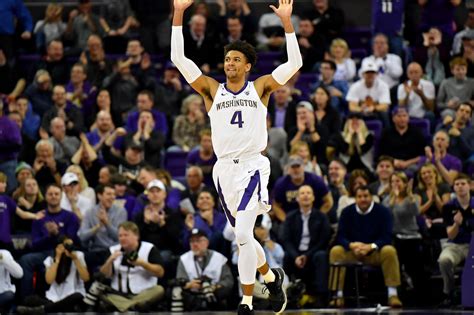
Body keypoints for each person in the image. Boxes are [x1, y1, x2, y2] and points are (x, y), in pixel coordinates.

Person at [171, 0, 302, 313]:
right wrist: (179, 12)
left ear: (247, 66)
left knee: (243, 233)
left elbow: (294, 62)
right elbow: (178, 57)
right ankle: (271, 277)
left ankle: (246, 301)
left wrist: (287, 22)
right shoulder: (211, 90)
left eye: (236, 59)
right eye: (227, 58)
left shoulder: (260, 88)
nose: (229, 63)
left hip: (254, 166)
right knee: (242, 237)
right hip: (223, 172)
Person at [329, 186, 402, 308]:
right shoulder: (347, 212)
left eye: (366, 196)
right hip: (353, 252)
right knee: (336, 251)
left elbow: (387, 236)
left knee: (389, 250)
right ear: (355, 198)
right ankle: (338, 295)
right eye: (359, 196)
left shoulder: (383, 212)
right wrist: (351, 245)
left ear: (372, 197)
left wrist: (371, 246)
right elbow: (340, 236)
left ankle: (393, 295)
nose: (363, 199)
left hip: (374, 252)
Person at [86, 221, 165, 312]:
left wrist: (143, 264)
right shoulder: (113, 250)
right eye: (120, 236)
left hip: (144, 293)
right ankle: (134, 307)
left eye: (126, 235)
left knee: (159, 290)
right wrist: (109, 261)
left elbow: (160, 273)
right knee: (100, 292)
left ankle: (126, 307)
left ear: (136, 236)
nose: (122, 238)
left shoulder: (149, 248)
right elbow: (104, 275)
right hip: (119, 294)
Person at [282, 185, 331, 304]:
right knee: (287, 256)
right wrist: (296, 256)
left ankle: (321, 297)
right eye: (302, 193)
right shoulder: (290, 217)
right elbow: (286, 239)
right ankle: (286, 295)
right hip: (296, 254)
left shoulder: (321, 217)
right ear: (297, 198)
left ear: (313, 197)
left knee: (321, 255)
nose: (305, 195)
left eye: (309, 193)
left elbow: (323, 240)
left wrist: (307, 255)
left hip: (313, 253)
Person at [16, 237, 89, 315]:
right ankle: (54, 308)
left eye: (71, 245)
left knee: (77, 296)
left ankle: (42, 309)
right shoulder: (50, 259)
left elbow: (85, 278)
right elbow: (49, 280)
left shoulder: (79, 255)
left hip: (73, 296)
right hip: (55, 298)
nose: (70, 248)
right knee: (29, 300)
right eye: (66, 245)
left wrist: (76, 260)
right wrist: (57, 259)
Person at [173, 228, 234, 312]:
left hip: (214, 295)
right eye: (192, 241)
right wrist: (189, 285)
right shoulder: (184, 259)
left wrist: (214, 287)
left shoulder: (219, 258)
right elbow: (180, 280)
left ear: (206, 243)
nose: (194, 244)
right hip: (192, 295)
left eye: (198, 241)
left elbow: (228, 281)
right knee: (176, 291)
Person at [438, 174, 473, 306]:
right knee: (444, 260)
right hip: (455, 245)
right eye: (457, 184)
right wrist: (456, 224)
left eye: (463, 184)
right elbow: (450, 235)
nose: (460, 187)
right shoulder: (448, 207)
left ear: (469, 185)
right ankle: (449, 292)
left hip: (472, 244)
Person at [78, 184, 127, 270]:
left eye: (114, 194)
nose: (112, 197)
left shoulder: (121, 212)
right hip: (95, 251)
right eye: (108, 194)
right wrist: (97, 227)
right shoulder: (90, 212)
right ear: (99, 196)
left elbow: (119, 237)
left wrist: (106, 223)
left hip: (113, 251)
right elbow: (82, 237)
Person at [0, 248, 23, 314]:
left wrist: (3, 258)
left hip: (3, 294)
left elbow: (19, 274)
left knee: (9, 295)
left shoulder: (4, 254)